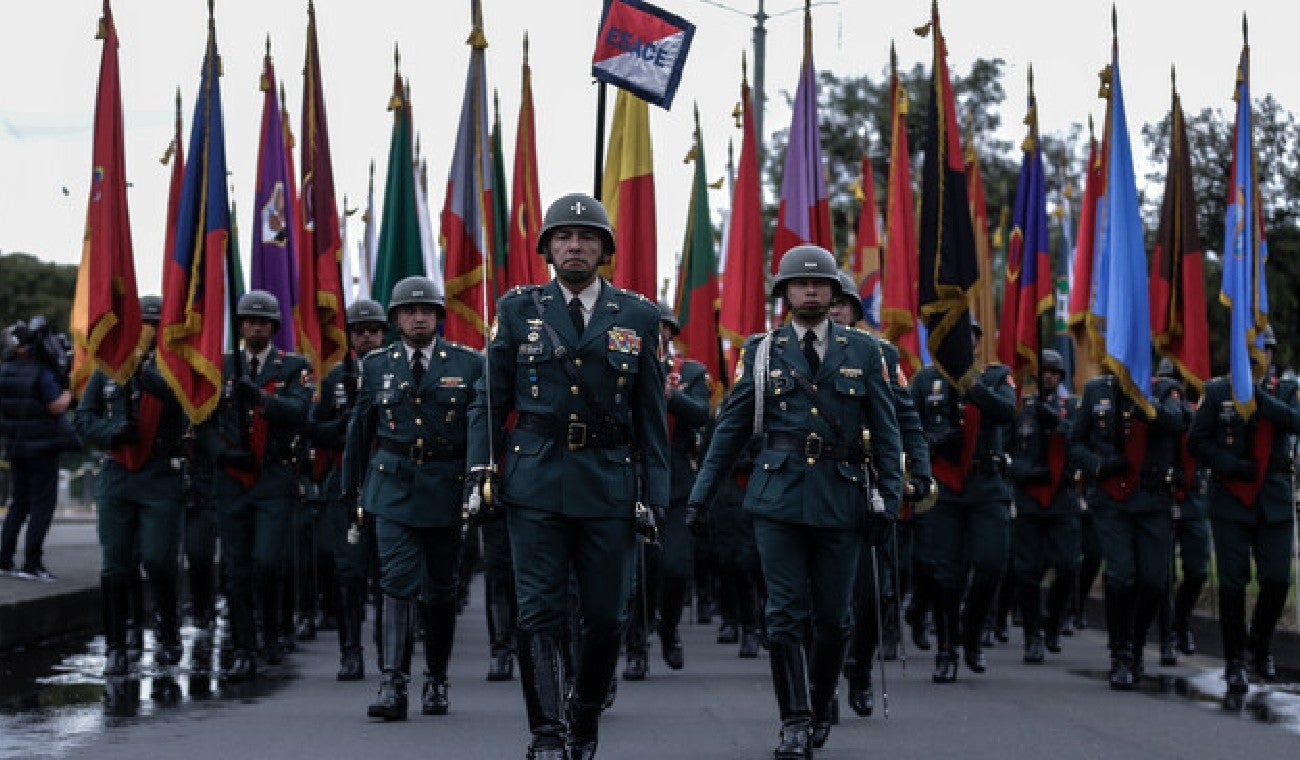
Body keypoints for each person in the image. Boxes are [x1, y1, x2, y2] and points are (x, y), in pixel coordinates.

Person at [467, 192, 668, 760]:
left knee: (606, 615)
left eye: (586, 237)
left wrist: (658, 495)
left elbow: (650, 416)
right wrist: (480, 469)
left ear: (605, 249)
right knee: (540, 610)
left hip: (608, 482)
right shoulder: (517, 310)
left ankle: (583, 716)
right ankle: (548, 733)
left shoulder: (638, 315)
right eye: (563, 237)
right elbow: (489, 397)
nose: (574, 245)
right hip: (534, 478)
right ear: (548, 249)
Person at [687, 246, 902, 758]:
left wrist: (889, 498)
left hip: (842, 498)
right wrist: (700, 496)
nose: (809, 290)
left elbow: (889, 432)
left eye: (819, 284)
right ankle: (795, 721)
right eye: (799, 284)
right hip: (777, 498)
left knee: (834, 618)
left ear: (833, 294)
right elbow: (731, 428)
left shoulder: (865, 352)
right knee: (784, 612)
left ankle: (822, 700)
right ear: (783, 293)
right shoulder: (761, 351)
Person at [342, 277, 484, 721]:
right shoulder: (377, 365)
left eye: (427, 310)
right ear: (396, 319)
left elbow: (478, 429)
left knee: (440, 590)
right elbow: (359, 431)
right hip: (393, 486)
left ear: (439, 317)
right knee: (397, 582)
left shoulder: (468, 363)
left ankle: (437, 680)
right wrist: (352, 492)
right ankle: (393, 683)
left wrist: (478, 484)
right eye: (409, 311)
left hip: (445, 487)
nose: (419, 317)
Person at [195, 290, 313, 682]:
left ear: (274, 327)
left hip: (273, 477)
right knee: (236, 568)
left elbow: (299, 412)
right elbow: (204, 419)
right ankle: (244, 649)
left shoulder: (293, 367)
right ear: (240, 326)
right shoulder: (220, 366)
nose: (255, 327)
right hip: (232, 479)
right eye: (248, 321)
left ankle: (273, 629)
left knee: (267, 561)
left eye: (262, 321)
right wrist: (223, 456)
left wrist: (261, 398)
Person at [830, 269, 931, 717]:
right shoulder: (788, 351)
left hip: (869, 484)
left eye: (843, 304)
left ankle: (859, 668)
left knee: (873, 593)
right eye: (830, 301)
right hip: (818, 484)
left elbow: (907, 419)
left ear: (854, 309)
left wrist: (920, 471)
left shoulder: (882, 354)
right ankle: (822, 683)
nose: (835, 310)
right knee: (821, 596)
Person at [74, 295, 187, 675]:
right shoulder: (107, 371)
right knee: (115, 566)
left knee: (158, 559)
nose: (148, 330)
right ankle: (117, 645)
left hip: (159, 474)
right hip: (118, 474)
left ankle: (168, 632)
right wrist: (110, 432)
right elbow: (84, 417)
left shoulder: (175, 368)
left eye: (154, 323)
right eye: (142, 323)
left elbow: (183, 404)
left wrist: (142, 375)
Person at [1187, 327, 1299, 692]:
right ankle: (1235, 661)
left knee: (1277, 579)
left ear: (1271, 354)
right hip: (1232, 499)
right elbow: (1196, 442)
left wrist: (1256, 399)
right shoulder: (1218, 391)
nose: (1258, 357)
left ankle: (1260, 646)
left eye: (1264, 350)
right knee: (1233, 583)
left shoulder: (1286, 390)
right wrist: (1229, 465)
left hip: (1274, 499)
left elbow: (1293, 420)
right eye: (1252, 350)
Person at [1068, 363, 1187, 689]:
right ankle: (1120, 655)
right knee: (1122, 575)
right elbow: (1074, 444)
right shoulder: (1096, 391)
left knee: (1153, 579)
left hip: (1151, 500)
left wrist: (1144, 403)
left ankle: (1135, 643)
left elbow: (1177, 422)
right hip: (1111, 501)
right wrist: (1100, 465)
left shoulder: (1162, 390)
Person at [909, 320, 1016, 682]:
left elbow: (1005, 412)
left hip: (986, 485)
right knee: (945, 573)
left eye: (969, 335)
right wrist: (936, 440)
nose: (961, 341)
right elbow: (908, 428)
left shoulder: (996, 376)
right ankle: (947, 649)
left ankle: (971, 634)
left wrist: (972, 384)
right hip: (946, 487)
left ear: (976, 341)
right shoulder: (924, 381)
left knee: (990, 563)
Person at [622, 302, 712, 680]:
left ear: (671, 334)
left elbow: (702, 414)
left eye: (662, 329)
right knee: (639, 571)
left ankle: (669, 628)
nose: (656, 334)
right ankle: (636, 646)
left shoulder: (689, 372)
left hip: (674, 482)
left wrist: (669, 394)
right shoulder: (622, 366)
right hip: (631, 476)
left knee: (674, 567)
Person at [308, 298, 387, 681]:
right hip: (346, 485)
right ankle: (350, 651)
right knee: (349, 572)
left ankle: (388, 650)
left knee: (388, 574)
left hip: (387, 483)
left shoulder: (396, 373)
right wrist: (345, 424)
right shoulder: (334, 378)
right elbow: (313, 430)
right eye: (360, 331)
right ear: (350, 337)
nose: (368, 337)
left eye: (374, 330)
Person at [1004, 349, 1080, 664]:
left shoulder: (1072, 408)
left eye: (1054, 372)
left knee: (1068, 566)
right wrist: (1024, 473)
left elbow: (1081, 443)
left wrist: (1060, 424)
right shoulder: (1023, 409)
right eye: (1044, 371)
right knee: (1028, 571)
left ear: (1061, 377)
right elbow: (1006, 452)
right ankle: (1032, 636)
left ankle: (1053, 622)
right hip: (1031, 498)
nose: (1049, 376)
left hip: (1062, 498)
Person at [0, 318, 74, 580]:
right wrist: (71, 389)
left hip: (16, 447)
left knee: (18, 504)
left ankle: (4, 558)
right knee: (42, 506)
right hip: (42, 449)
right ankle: (32, 563)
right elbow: (56, 406)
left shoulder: (5, 370)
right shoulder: (40, 373)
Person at [1153, 358, 1210, 667]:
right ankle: (1167, 638)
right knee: (1162, 574)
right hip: (1161, 495)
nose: (1171, 387)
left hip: (1192, 499)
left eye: (1176, 382)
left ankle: (1181, 621)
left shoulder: (1195, 413)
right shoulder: (1154, 412)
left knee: (1197, 570)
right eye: (1165, 381)